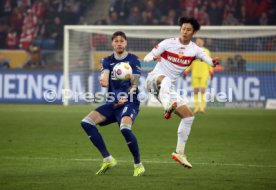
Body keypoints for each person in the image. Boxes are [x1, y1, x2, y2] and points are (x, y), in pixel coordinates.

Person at [144, 17, 220, 169]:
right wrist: (154, 57)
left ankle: (179, 152)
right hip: (154, 80)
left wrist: (213, 62)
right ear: (180, 29)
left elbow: (208, 60)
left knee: (189, 116)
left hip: (167, 90)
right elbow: (146, 58)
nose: (185, 32)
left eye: (188, 30)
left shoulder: (195, 50)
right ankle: (167, 107)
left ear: (194, 32)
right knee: (165, 80)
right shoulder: (167, 43)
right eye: (183, 29)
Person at [80, 31, 145, 176]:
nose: (119, 43)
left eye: (122, 41)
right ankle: (108, 159)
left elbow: (134, 84)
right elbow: (105, 76)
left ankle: (138, 164)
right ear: (112, 43)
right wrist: (103, 80)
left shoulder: (134, 60)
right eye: (116, 41)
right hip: (113, 102)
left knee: (125, 129)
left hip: (130, 101)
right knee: (86, 122)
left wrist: (126, 96)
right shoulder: (107, 60)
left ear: (126, 43)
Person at [183, 38, 214, 113]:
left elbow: (209, 62)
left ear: (203, 42)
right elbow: (189, 62)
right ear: (196, 42)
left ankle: (202, 108)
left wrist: (211, 71)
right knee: (196, 91)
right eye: (197, 41)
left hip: (204, 73)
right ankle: (196, 107)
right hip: (195, 73)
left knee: (203, 90)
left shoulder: (207, 51)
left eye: (200, 41)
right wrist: (186, 71)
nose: (199, 42)